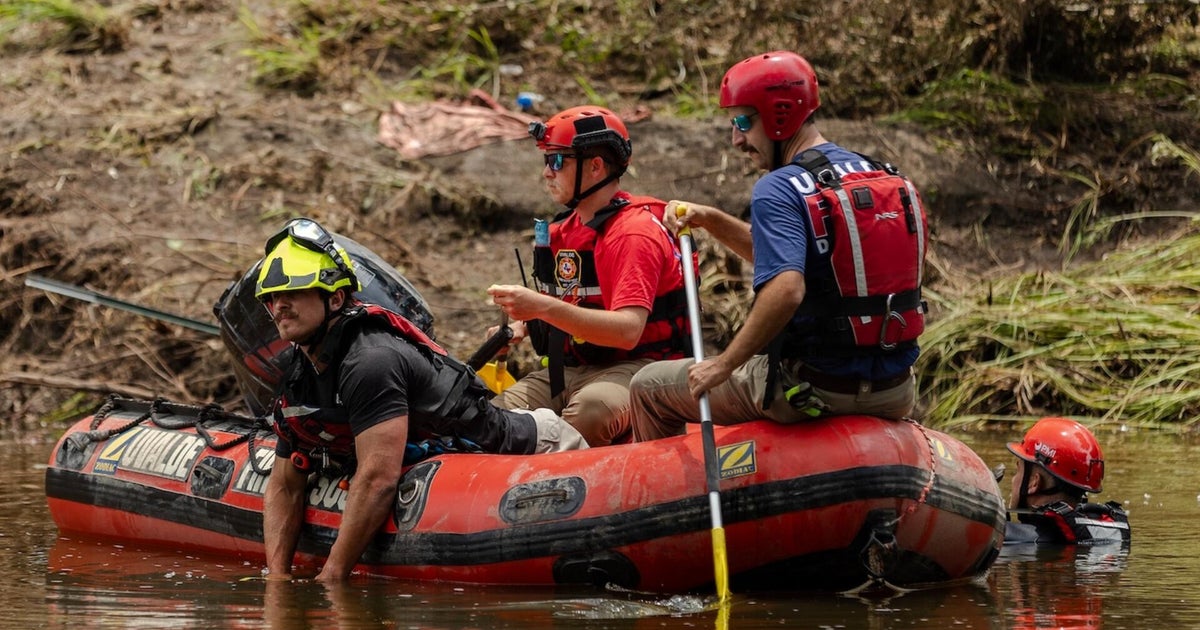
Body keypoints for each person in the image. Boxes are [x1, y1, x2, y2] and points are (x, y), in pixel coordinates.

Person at [255, 217, 587, 583]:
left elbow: (378, 480)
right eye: (271, 298)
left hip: (539, 450)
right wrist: (277, 580)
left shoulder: (370, 360)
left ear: (334, 298)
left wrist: (330, 580)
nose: (279, 305)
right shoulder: (299, 372)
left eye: (293, 293)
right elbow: (284, 484)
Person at [629, 50, 929, 441]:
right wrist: (713, 220)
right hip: (895, 391)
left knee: (648, 386)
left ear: (778, 115)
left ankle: (673, 479)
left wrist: (723, 364)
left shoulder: (778, 188)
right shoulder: (885, 176)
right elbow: (795, 260)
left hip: (811, 389)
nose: (737, 139)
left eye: (742, 122)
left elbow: (787, 288)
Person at [486, 105, 693, 446]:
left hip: (642, 367)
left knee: (590, 413)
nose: (546, 172)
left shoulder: (634, 233)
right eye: (546, 161)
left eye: (557, 161)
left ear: (595, 166)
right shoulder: (564, 231)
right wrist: (523, 325)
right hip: (570, 369)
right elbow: (570, 304)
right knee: (493, 416)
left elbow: (628, 331)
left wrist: (541, 308)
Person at [1004, 416, 1130, 544]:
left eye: (1017, 470)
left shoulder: (1006, 537)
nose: (1013, 479)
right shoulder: (1099, 532)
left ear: (1033, 482)